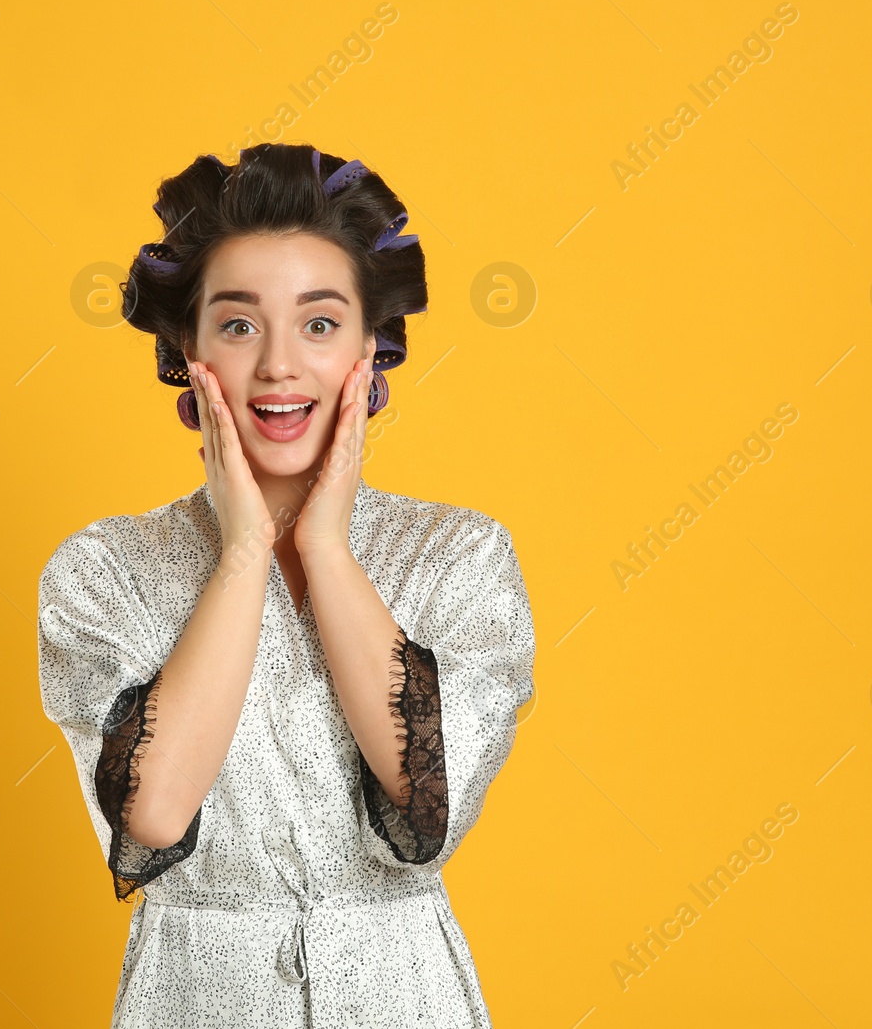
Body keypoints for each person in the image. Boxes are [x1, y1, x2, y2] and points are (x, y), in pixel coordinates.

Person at [37, 143, 536, 1027]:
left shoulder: (460, 554)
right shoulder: (100, 571)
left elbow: (432, 803)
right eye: (237, 324)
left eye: (318, 322)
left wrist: (328, 549)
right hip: (192, 1001)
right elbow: (150, 817)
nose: (277, 365)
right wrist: (240, 554)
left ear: (370, 348)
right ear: (187, 350)